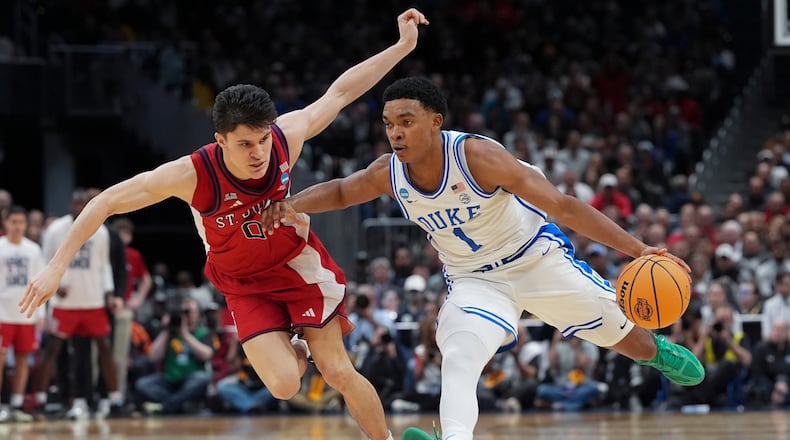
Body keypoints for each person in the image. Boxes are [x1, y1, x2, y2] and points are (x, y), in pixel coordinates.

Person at [20, 10, 427, 440]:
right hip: (241, 280)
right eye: (245, 144)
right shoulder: (191, 174)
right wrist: (55, 267)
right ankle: (297, 347)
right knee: (286, 385)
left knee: (338, 371)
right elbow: (105, 202)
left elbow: (341, 92)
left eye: (263, 139)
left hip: (296, 265)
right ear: (221, 141)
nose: (258, 152)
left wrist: (401, 47)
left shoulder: (286, 137)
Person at [259, 76, 705, 440]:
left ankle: (655, 352)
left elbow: (565, 207)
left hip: (536, 259)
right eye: (388, 122)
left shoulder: (478, 157)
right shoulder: (388, 172)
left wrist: (640, 249)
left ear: (436, 122)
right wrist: (291, 203)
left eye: (407, 121)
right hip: (475, 280)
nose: (395, 132)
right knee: (459, 354)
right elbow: (339, 190)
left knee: (627, 338)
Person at [36, 189, 126, 419]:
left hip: (93, 301)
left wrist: (109, 293)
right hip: (64, 303)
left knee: (105, 350)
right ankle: (41, 399)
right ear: (69, 204)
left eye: (82, 203)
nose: (78, 207)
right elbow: (45, 261)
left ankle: (115, 399)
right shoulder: (56, 229)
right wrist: (55, 285)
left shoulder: (101, 230)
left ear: (88, 204)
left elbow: (104, 266)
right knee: (54, 352)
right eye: (75, 203)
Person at [0, 206, 46, 422]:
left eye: (21, 222)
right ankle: (2, 404)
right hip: (2, 313)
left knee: (22, 359)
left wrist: (41, 313)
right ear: (5, 223)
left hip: (26, 312)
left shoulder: (34, 250)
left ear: (26, 224)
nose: (17, 226)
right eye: (13, 222)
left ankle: (17, 404)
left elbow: (42, 281)